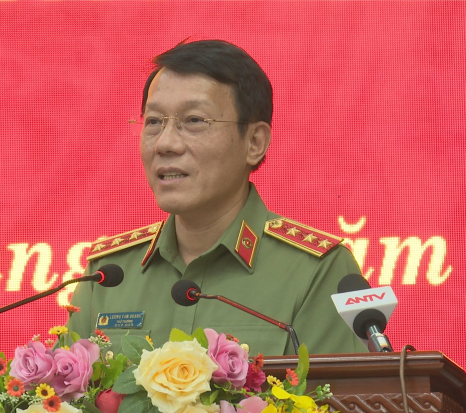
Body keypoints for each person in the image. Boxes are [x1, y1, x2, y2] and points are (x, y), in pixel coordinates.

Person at [68, 40, 367, 356]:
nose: (165, 144)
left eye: (194, 121)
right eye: (153, 122)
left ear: (254, 142)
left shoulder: (316, 271)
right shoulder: (107, 274)